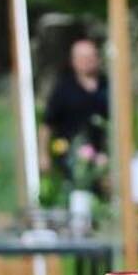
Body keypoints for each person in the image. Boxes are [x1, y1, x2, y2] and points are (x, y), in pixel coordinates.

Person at [40, 37, 109, 175]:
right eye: (83, 57)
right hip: (71, 161)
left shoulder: (108, 86)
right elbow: (47, 125)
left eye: (91, 56)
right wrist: (43, 155)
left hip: (105, 160)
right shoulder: (63, 89)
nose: (87, 60)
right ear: (73, 61)